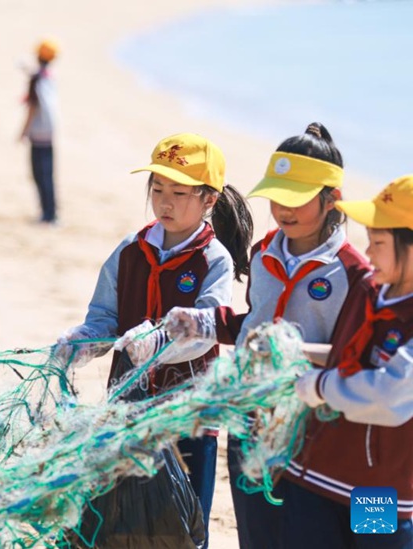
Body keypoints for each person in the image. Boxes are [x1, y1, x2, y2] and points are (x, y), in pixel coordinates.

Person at [163, 123, 372, 549]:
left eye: (296, 199)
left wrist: (291, 355)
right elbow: (255, 327)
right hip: (250, 422)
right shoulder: (264, 253)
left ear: (332, 199)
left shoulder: (353, 274)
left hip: (312, 437)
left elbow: (356, 357)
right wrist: (204, 323)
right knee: (257, 537)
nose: (282, 209)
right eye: (276, 197)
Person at [56, 133, 253, 547]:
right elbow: (103, 320)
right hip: (127, 411)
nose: (165, 201)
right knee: (117, 522)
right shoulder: (130, 251)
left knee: (181, 525)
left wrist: (160, 342)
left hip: (189, 415)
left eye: (179, 193)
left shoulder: (213, 259)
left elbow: (207, 329)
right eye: (158, 189)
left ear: (209, 201)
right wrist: (79, 343)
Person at [287, 175, 413, 548]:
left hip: (378, 489)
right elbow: (347, 359)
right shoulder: (368, 290)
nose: (368, 253)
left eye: (378, 242)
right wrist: (296, 353)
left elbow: (390, 394)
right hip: (313, 473)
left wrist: (320, 386)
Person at [20, 39, 59, 224]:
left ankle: (47, 213)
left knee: (39, 174)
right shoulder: (49, 76)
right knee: (48, 175)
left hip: (38, 133)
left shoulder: (37, 78)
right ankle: (51, 212)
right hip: (50, 132)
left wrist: (24, 131)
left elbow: (32, 108)